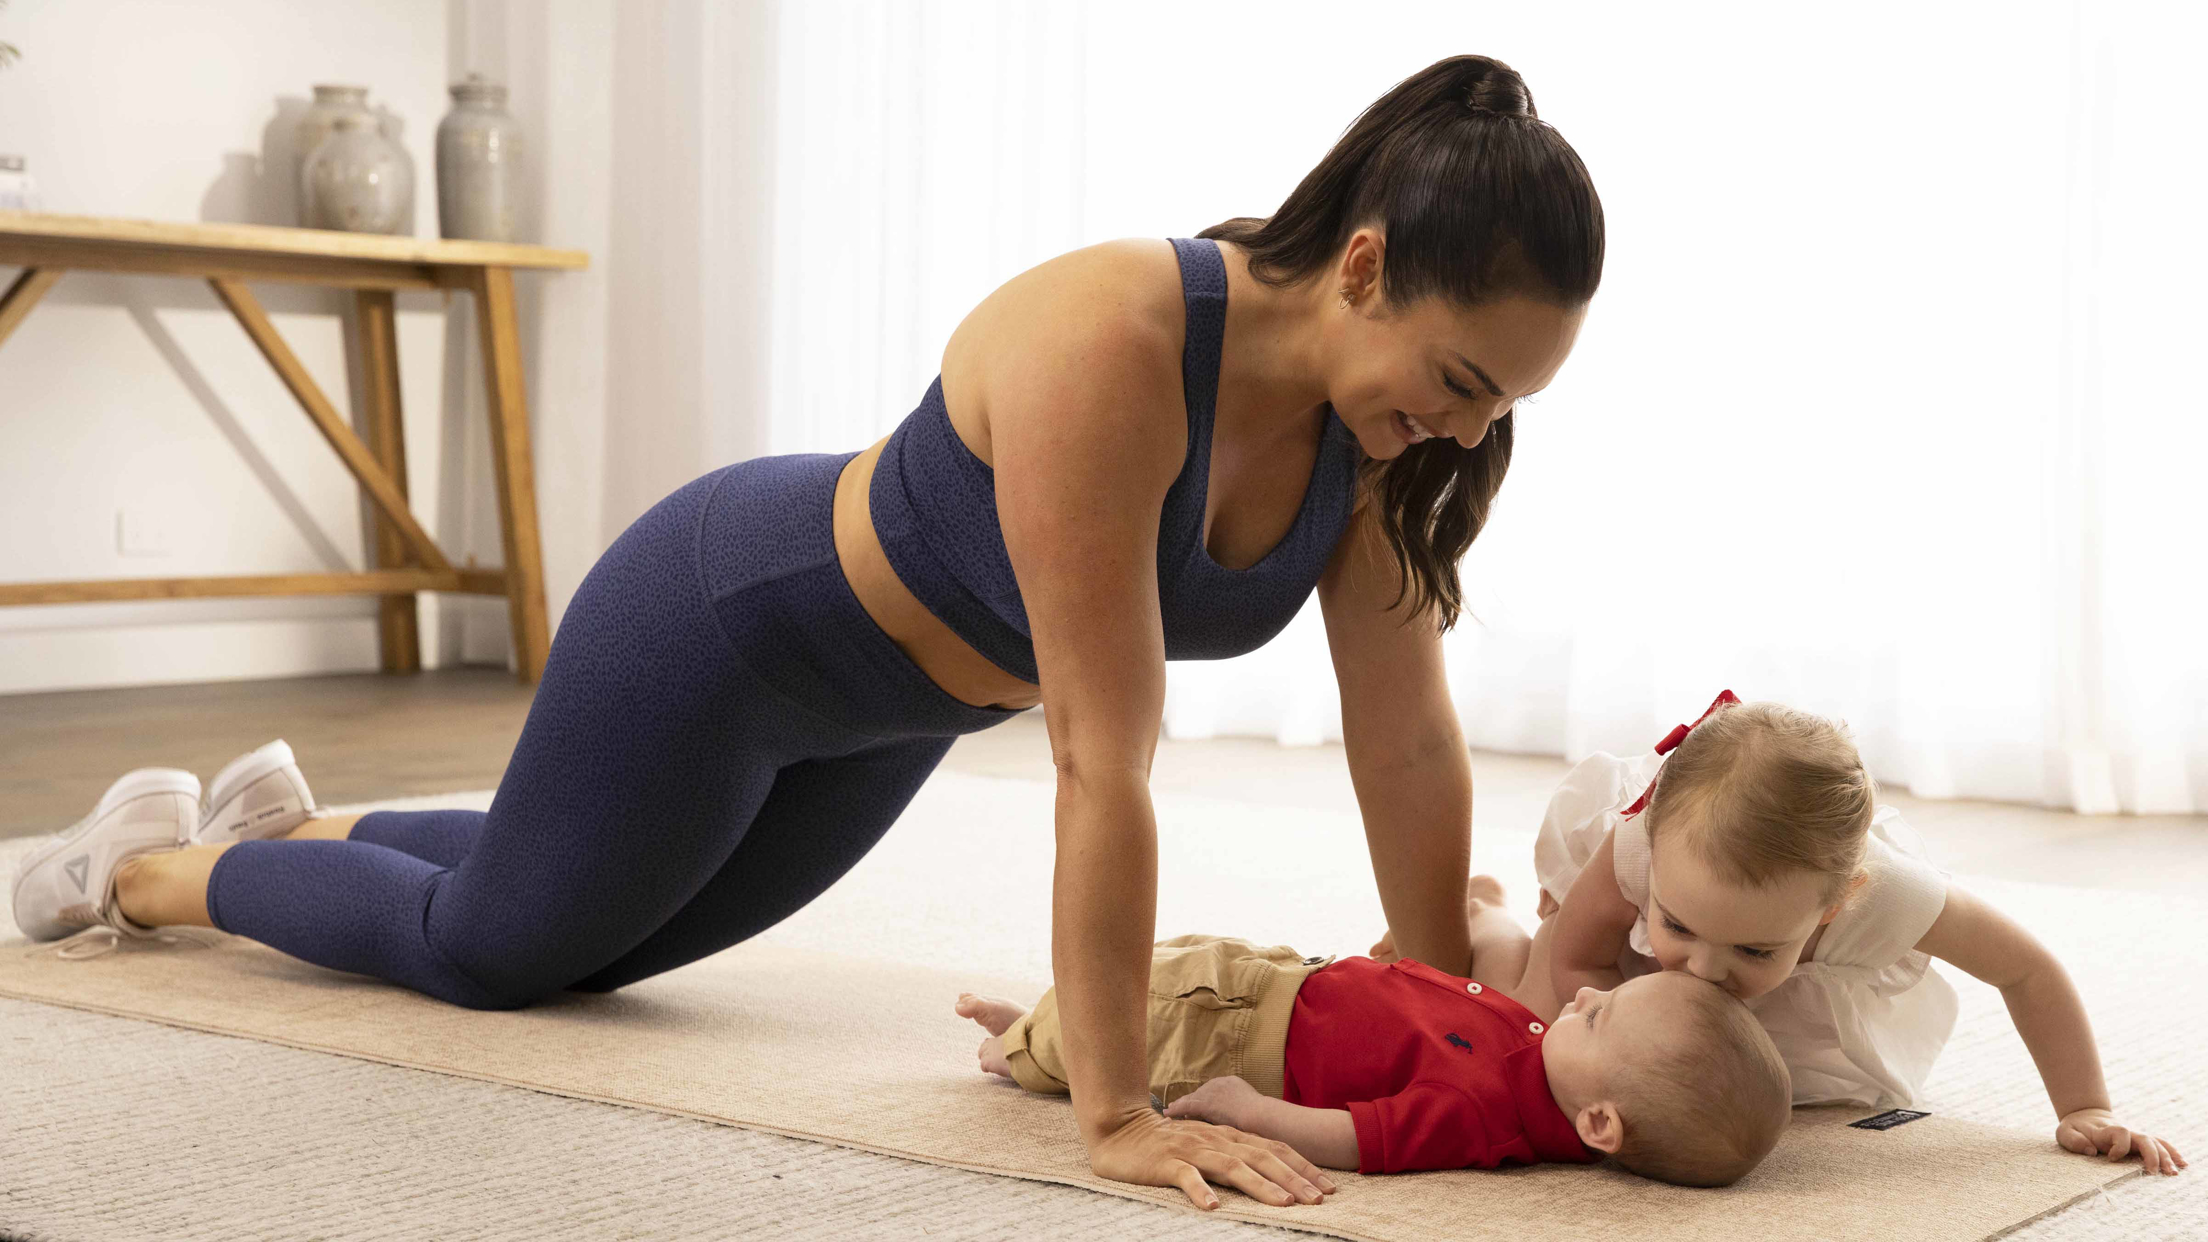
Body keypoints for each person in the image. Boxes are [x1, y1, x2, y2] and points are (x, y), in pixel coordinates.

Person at [10, 53, 1604, 1211]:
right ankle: (160, 869)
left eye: (1503, 405)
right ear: (1370, 268)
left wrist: (1448, 998)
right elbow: (1101, 753)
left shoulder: (1381, 444)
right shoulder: (1114, 337)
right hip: (720, 629)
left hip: (884, 720)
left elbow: (1406, 737)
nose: (1464, 433)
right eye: (1464, 380)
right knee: (495, 955)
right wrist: (1117, 1111)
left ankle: (314, 823)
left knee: (601, 947)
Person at [1384, 691, 2188, 1178]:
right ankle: (1480, 911)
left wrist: (2084, 1105)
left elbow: (2028, 971)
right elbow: (1572, 963)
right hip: (1611, 959)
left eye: (1756, 949)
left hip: (1774, 939)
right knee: (1505, 989)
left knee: (1744, 1094)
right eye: (1683, 927)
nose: (1702, 970)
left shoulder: (1890, 897)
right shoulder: (1640, 843)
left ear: (1836, 906)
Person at [957, 890, 1793, 1189]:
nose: (1582, 994)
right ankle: (1036, 1015)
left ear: (1600, 1124)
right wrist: (1488, 920)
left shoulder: (1489, 1115)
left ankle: (1018, 1049)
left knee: (1118, 1024)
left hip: (1242, 1037)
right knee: (1147, 960)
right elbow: (1504, 980)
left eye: (1600, 1013)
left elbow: (1364, 1139)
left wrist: (1253, 1113)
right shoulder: (1550, 1056)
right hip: (1285, 980)